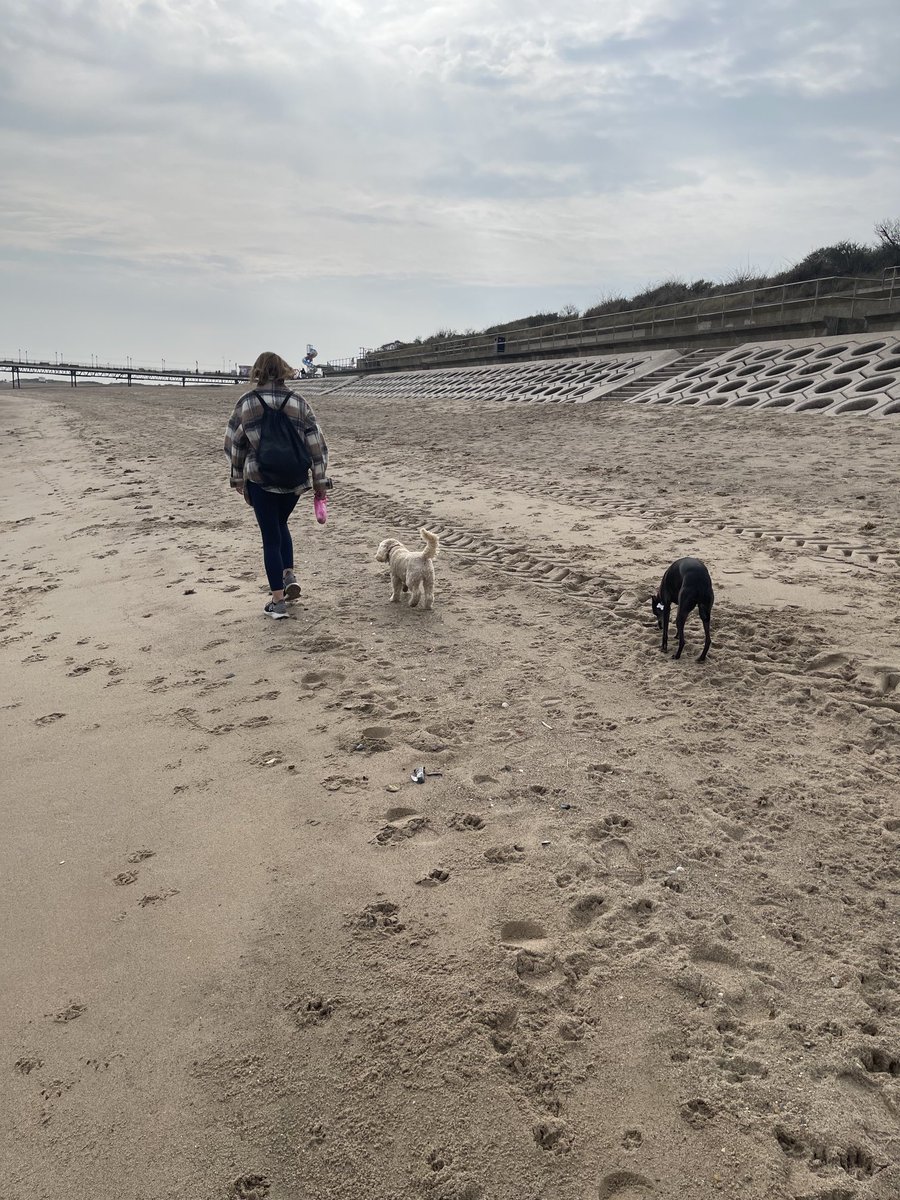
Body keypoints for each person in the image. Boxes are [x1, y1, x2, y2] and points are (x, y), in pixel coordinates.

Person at [224, 351, 329, 619]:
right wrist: (319, 481)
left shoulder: (247, 402)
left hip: (261, 478)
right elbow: (316, 444)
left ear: (257, 371)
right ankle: (288, 574)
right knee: (281, 524)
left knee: (270, 537)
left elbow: (235, 443)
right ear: (284, 370)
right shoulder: (298, 401)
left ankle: (277, 602)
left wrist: (237, 477)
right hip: (293, 478)